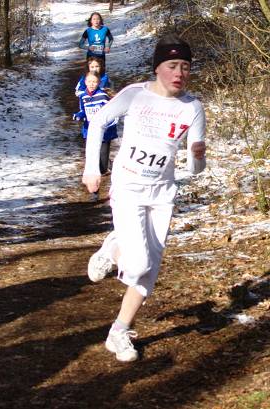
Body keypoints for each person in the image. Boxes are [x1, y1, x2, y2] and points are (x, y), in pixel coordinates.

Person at [82, 34, 207, 362]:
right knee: (138, 262)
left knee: (148, 270)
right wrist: (92, 168)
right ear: (158, 68)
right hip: (128, 188)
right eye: (172, 65)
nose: (179, 72)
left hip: (162, 194)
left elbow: (195, 169)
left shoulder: (193, 108)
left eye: (185, 67)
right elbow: (97, 122)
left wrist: (197, 155)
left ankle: (119, 332)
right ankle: (113, 247)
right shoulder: (135, 96)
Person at [73, 71, 117, 181]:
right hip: (90, 130)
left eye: (94, 82)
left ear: (98, 83)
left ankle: (107, 164)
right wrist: (78, 115)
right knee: (92, 157)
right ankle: (94, 185)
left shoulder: (103, 96)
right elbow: (83, 111)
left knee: (102, 167)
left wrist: (109, 124)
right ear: (85, 82)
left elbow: (111, 112)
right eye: (89, 81)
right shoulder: (83, 96)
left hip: (104, 132)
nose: (91, 84)